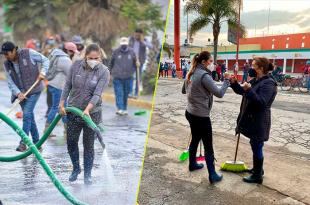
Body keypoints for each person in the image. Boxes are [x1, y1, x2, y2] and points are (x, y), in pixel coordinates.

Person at [59, 43, 110, 185]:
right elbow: (67, 85)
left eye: (96, 58)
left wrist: (87, 109)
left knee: (88, 145)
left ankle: (88, 174)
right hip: (74, 111)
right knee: (71, 142)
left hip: (92, 114)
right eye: (90, 58)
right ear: (85, 56)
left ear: (100, 57)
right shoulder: (75, 66)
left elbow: (97, 94)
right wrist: (62, 102)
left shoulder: (104, 71)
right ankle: (76, 168)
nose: (93, 60)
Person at [183, 51, 230, 184]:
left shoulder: (191, 72)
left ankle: (192, 164)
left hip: (190, 112)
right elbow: (220, 93)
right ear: (204, 62)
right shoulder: (204, 76)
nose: (212, 64)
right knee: (208, 146)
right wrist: (226, 80)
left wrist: (197, 91)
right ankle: (213, 175)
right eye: (210, 62)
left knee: (195, 138)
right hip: (201, 116)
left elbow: (184, 90)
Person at [230, 56, 277, 184]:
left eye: (254, 65)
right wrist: (234, 83)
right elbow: (244, 92)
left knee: (257, 145)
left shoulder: (269, 83)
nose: (251, 67)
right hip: (253, 119)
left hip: (259, 120)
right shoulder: (258, 80)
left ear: (261, 68)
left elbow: (261, 102)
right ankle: (258, 169)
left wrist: (249, 89)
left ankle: (257, 176)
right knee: (255, 144)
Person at [0, 41, 49, 152]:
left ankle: (23, 143)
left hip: (34, 90)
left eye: (7, 53)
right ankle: (37, 143)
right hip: (21, 94)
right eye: (4, 54)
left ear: (14, 50)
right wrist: (18, 93)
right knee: (29, 117)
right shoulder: (7, 64)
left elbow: (46, 60)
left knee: (26, 114)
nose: (6, 56)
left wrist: (43, 72)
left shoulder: (29, 53)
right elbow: (10, 82)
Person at [44, 42, 78, 137]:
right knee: (56, 107)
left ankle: (67, 129)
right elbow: (71, 73)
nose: (73, 54)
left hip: (52, 84)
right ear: (68, 50)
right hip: (58, 86)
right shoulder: (65, 59)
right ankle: (47, 129)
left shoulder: (56, 54)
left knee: (63, 107)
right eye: (72, 52)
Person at [109, 37, 137, 115]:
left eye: (125, 44)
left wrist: (137, 65)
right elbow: (111, 63)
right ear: (120, 44)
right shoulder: (116, 52)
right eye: (122, 45)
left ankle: (124, 108)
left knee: (126, 93)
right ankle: (119, 108)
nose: (123, 46)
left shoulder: (132, 52)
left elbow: (135, 64)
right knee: (119, 92)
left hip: (128, 77)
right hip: (117, 77)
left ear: (127, 44)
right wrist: (109, 73)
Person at [129, 28, 153, 97]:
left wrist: (142, 41)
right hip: (131, 60)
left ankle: (136, 93)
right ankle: (130, 92)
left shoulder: (144, 40)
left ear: (141, 35)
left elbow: (150, 46)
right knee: (130, 76)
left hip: (140, 62)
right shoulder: (131, 39)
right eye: (135, 34)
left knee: (138, 77)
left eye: (138, 35)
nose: (136, 36)